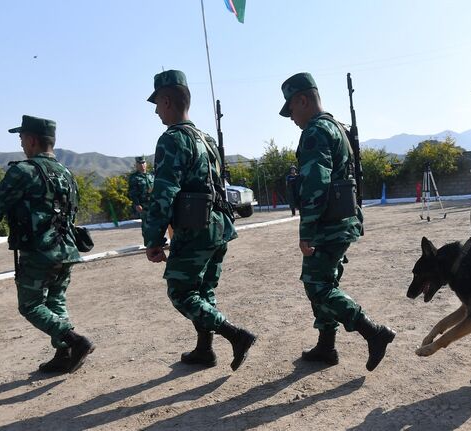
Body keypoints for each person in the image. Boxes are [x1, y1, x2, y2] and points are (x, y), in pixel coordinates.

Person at [0, 115, 94, 374]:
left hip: (39, 251)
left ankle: (76, 341)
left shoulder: (24, 171)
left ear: (32, 140)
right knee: (56, 300)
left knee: (30, 305)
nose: (21, 143)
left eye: (21, 138)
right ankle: (63, 353)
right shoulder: (67, 173)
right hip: (67, 249)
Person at [279, 72, 395, 371]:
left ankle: (373, 332)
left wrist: (307, 231)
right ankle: (326, 346)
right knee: (323, 281)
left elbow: (316, 182)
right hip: (341, 220)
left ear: (302, 100)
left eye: (290, 109)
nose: (291, 117)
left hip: (328, 224)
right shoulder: (336, 126)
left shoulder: (316, 131)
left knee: (317, 286)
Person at [144, 70, 255, 371]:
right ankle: (205, 349)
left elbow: (164, 192)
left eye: (157, 104)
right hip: (219, 227)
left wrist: (153, 239)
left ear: (167, 101)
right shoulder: (206, 139)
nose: (155, 111)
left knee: (181, 292)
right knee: (204, 291)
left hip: (196, 229)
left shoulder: (172, 139)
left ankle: (236, 335)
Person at [128, 156, 154, 225]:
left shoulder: (151, 175)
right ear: (136, 165)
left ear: (146, 164)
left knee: (156, 224)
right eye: (140, 163)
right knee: (147, 225)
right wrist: (137, 204)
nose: (142, 165)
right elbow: (132, 192)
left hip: (154, 203)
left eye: (143, 163)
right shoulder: (134, 177)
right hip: (143, 205)